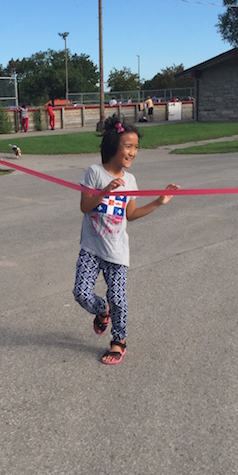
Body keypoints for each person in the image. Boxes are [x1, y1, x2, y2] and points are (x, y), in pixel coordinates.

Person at [72, 116, 179, 365]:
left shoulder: (130, 181)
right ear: (114, 146)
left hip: (117, 251)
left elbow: (130, 214)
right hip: (91, 248)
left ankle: (118, 341)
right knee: (81, 293)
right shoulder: (94, 173)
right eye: (128, 146)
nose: (133, 152)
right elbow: (85, 206)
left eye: (136, 147)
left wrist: (158, 202)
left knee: (118, 298)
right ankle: (102, 310)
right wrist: (105, 191)